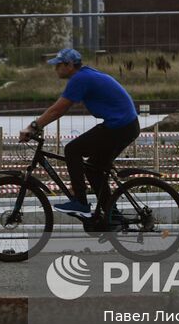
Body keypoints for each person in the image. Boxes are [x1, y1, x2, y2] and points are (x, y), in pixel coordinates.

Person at [19, 48, 140, 226]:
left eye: (58, 65)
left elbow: (58, 109)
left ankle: (81, 203)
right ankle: (112, 216)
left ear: (69, 65)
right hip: (125, 125)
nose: (56, 69)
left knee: (72, 149)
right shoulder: (85, 75)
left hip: (119, 126)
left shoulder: (80, 79)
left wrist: (33, 127)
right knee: (93, 168)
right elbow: (59, 110)